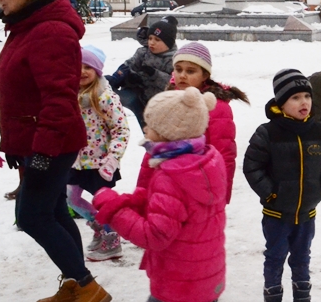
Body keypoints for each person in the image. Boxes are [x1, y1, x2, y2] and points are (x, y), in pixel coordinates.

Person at [94, 87, 280, 302]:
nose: (145, 128)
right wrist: (128, 201)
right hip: (204, 264)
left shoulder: (171, 174)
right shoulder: (205, 159)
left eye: (151, 124)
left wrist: (114, 212)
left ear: (171, 132)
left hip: (179, 271)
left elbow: (155, 235)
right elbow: (168, 205)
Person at [0, 0, 111, 302]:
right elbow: (23, 93)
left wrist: (42, 153)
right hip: (38, 140)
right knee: (56, 211)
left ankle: (87, 287)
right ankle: (74, 282)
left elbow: (58, 99)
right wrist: (19, 146)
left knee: (31, 215)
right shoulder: (26, 25)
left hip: (53, 142)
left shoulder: (50, 31)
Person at [243, 69, 321, 302]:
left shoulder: (318, 131)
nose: (304, 102)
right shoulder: (268, 132)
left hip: (307, 212)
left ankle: (302, 301)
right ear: (281, 103)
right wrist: (270, 193)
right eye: (295, 97)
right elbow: (252, 166)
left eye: (307, 96)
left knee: (302, 257)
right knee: (275, 257)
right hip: (276, 213)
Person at [147, 42, 250, 204]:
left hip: (198, 188)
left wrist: (220, 195)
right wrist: (144, 188)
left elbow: (224, 155)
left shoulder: (217, 107)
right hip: (164, 185)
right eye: (178, 69)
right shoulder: (167, 101)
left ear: (205, 75)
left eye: (190, 71)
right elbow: (154, 149)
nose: (182, 75)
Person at [67, 46, 130, 263]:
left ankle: (112, 242)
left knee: (104, 203)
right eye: (79, 66)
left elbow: (121, 129)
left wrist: (112, 158)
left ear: (97, 70)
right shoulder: (71, 94)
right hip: (76, 161)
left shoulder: (105, 97)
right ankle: (100, 227)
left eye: (88, 67)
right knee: (71, 198)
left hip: (100, 164)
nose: (82, 71)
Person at [107, 18, 177, 128]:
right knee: (114, 97)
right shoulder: (143, 53)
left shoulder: (173, 60)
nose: (152, 42)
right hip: (138, 96)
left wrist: (155, 75)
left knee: (153, 129)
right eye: (150, 38)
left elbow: (173, 83)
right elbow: (129, 65)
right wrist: (120, 76)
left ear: (168, 43)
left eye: (157, 40)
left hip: (160, 103)